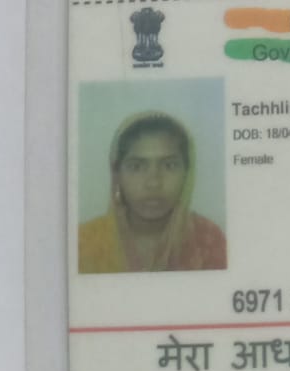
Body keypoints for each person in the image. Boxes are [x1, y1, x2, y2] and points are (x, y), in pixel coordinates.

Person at [78, 110, 227, 273]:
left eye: (169, 165)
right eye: (136, 167)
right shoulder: (84, 244)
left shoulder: (208, 241)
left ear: (187, 173)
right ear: (117, 174)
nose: (153, 183)